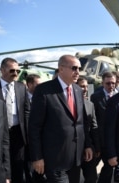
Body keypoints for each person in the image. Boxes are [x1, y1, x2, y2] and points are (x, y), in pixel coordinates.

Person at [28, 55, 93, 183]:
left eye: (79, 68)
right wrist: (37, 157)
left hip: (76, 159)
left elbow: (81, 122)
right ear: (61, 69)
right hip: (55, 160)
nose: (78, 72)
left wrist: (87, 145)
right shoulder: (44, 90)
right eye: (74, 68)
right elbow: (34, 127)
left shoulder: (78, 90)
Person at [0, 57, 30, 183]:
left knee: (18, 166)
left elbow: (26, 111)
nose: (16, 74)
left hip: (18, 133)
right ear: (2, 70)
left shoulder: (21, 87)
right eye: (12, 70)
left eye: (18, 71)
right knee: (1, 164)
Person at [90, 71, 117, 183]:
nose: (111, 86)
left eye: (113, 83)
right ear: (102, 83)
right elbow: (92, 119)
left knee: (110, 165)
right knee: (91, 166)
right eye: (108, 83)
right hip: (100, 139)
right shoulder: (96, 97)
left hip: (114, 139)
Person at [77, 76, 100, 183]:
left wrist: (97, 147)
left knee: (92, 178)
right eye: (82, 86)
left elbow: (94, 127)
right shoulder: (68, 104)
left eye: (86, 86)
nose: (85, 89)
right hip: (73, 149)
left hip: (89, 148)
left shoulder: (90, 104)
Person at [25, 74, 47, 183]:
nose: (41, 87)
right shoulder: (22, 98)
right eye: (38, 85)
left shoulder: (43, 98)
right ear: (29, 84)